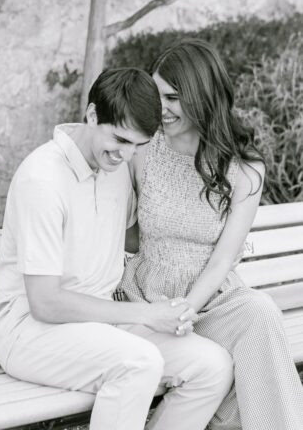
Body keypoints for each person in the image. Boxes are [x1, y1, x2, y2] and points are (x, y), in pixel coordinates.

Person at [0, 67, 234, 430]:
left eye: (137, 145)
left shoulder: (116, 169)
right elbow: (45, 303)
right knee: (139, 363)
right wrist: (147, 314)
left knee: (212, 366)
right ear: (91, 115)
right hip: (27, 331)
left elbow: (140, 238)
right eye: (118, 139)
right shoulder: (43, 179)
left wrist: (215, 237)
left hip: (102, 321)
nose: (125, 155)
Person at [121, 38, 303, 430]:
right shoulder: (141, 151)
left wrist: (188, 308)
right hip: (148, 296)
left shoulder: (245, 168)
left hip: (213, 302)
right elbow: (125, 234)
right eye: (157, 97)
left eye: (172, 98)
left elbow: (223, 259)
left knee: (261, 313)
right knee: (250, 368)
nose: (161, 109)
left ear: (201, 96)